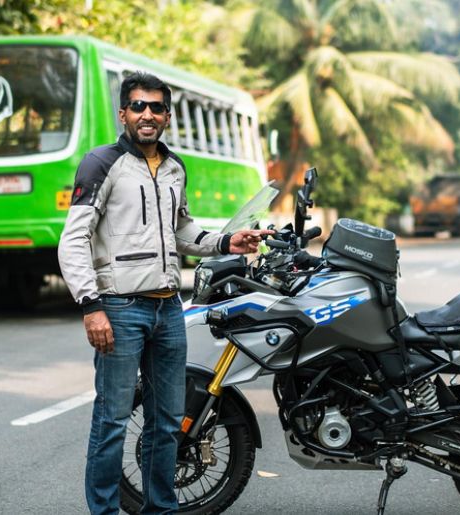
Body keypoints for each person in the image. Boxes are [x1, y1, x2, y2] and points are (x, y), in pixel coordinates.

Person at [57, 71, 271, 515]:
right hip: (119, 309)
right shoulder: (102, 163)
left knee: (167, 422)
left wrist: (227, 242)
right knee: (113, 420)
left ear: (168, 116)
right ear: (123, 113)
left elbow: (181, 230)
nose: (147, 115)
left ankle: (161, 509)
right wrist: (90, 306)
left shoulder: (174, 168)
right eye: (138, 106)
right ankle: (105, 511)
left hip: (168, 309)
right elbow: (73, 240)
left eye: (156, 107)